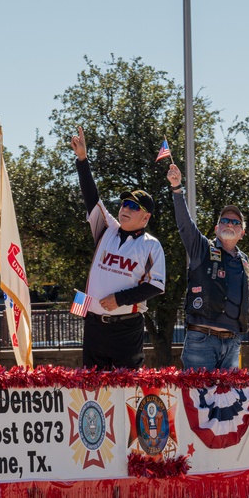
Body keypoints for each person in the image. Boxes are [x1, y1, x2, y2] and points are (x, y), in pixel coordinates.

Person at [166, 164, 249, 370]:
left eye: (236, 222)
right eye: (225, 220)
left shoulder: (243, 260)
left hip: (232, 343)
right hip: (201, 340)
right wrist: (177, 189)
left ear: (242, 233)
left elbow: (241, 301)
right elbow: (185, 225)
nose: (230, 224)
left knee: (228, 402)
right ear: (216, 228)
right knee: (198, 401)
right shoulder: (202, 248)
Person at [71, 126, 166, 369]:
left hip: (126, 326)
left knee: (125, 392)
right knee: (92, 394)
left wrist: (120, 299)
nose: (126, 208)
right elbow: (92, 198)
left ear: (146, 218)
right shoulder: (107, 228)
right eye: (125, 203)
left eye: (134, 207)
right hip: (93, 324)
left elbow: (156, 285)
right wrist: (83, 160)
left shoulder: (151, 246)